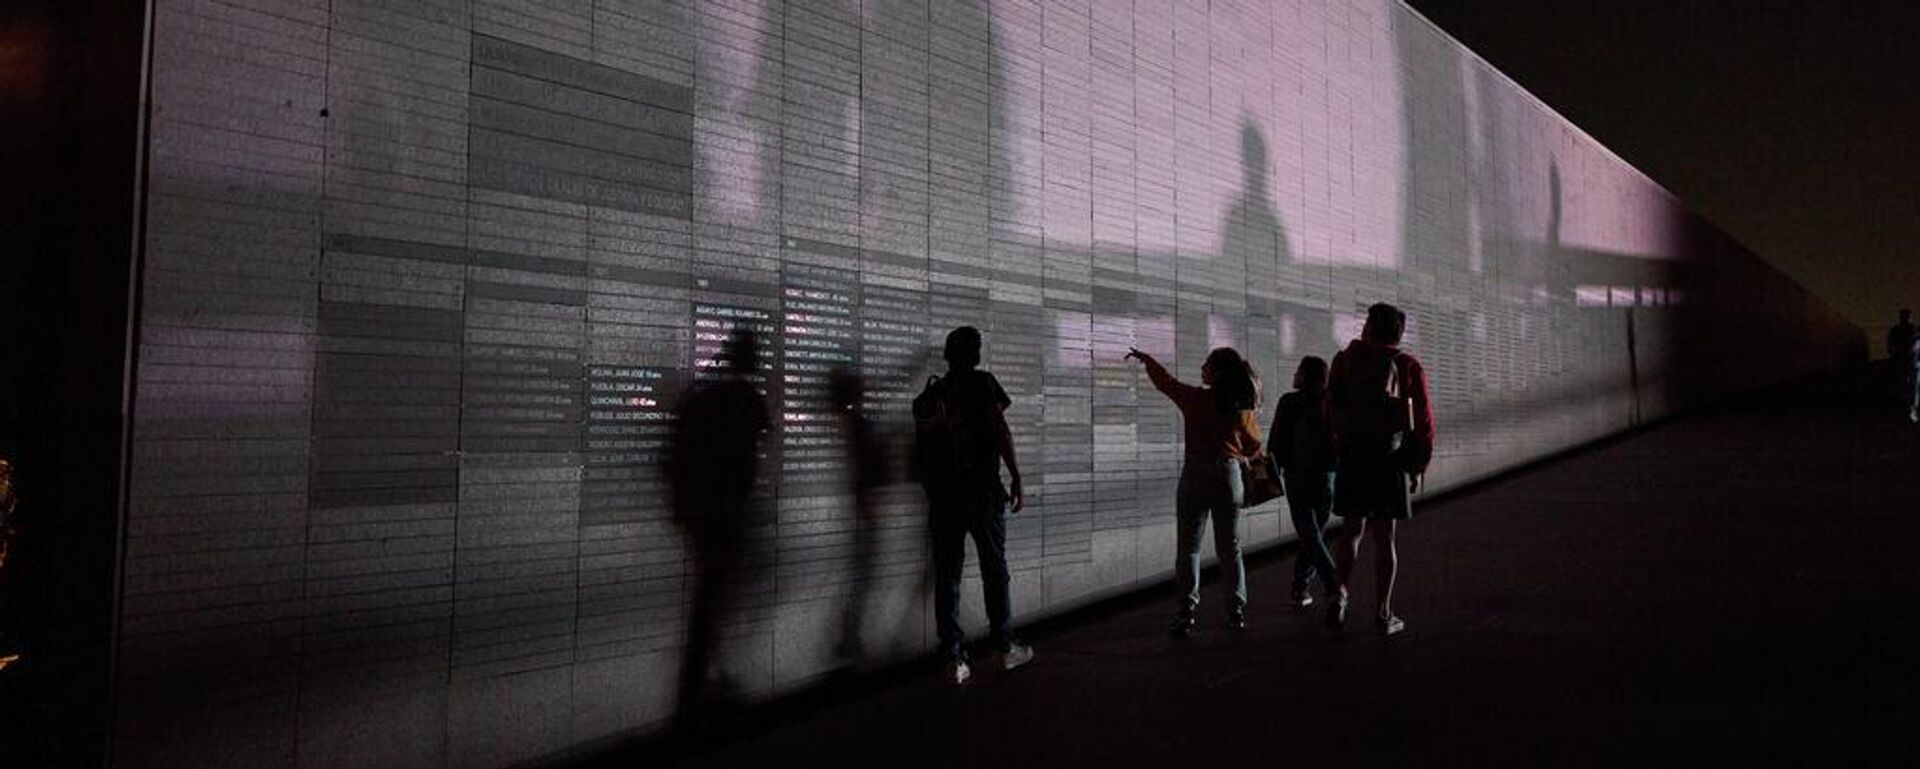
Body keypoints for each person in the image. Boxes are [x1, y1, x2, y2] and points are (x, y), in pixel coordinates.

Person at [665, 327, 771, 725]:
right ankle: (700, 680)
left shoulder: (703, 393)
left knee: (713, 595)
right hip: (726, 513)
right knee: (716, 596)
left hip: (703, 511)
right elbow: (754, 449)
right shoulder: (743, 397)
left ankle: (703, 674)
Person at [918, 326, 1032, 685]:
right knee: (994, 569)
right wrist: (1016, 475)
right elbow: (1000, 429)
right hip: (982, 493)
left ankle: (953, 657)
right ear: (972, 353)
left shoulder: (933, 394)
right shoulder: (983, 384)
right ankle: (1003, 647)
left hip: (943, 498)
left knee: (948, 575)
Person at [1126, 345, 1264, 635]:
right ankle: (1235, 610)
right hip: (1228, 476)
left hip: (1195, 474)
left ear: (1217, 372)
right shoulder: (1242, 408)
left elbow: (1166, 383)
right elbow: (1253, 447)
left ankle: (1187, 610)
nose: (1202, 367)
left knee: (1189, 547)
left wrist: (1149, 358)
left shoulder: (1195, 399)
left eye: (1207, 364)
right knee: (1231, 547)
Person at [1325, 303, 1433, 637]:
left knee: (1351, 529)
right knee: (1385, 536)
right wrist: (1417, 465)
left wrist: (1340, 447)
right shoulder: (1406, 365)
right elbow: (1423, 423)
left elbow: (1330, 409)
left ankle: (1340, 593)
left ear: (1367, 327)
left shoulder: (1343, 362)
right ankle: (1383, 613)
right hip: (1390, 459)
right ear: (1397, 332)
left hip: (1354, 455)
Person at [1271, 356, 1337, 609]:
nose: (1295, 374)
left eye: (1298, 370)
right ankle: (1300, 586)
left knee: (1309, 533)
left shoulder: (1289, 401)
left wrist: (1271, 473)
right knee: (1314, 533)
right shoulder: (1330, 401)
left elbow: (1277, 441)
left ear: (1305, 375)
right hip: (1327, 475)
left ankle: (1330, 578)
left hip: (1297, 474)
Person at [1890, 310, 1916, 414]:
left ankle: (1904, 403)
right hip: (1905, 359)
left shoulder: (1898, 330)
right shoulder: (1910, 329)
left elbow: (1891, 344)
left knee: (1904, 382)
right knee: (1905, 382)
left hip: (1905, 359)